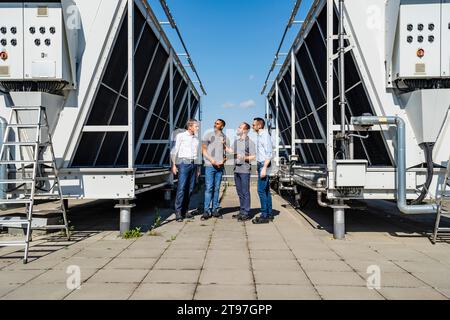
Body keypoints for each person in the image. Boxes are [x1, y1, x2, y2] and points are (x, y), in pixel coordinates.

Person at [171, 119, 201, 222]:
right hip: (183, 164)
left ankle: (185, 210)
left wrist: (198, 168)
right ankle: (178, 212)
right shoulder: (181, 136)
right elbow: (175, 150)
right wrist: (174, 165)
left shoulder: (196, 139)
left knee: (191, 189)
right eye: (196, 126)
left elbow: (197, 155)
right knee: (181, 188)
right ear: (190, 127)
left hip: (193, 165)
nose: (197, 128)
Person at [226, 122, 256, 221]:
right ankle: (242, 211)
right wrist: (223, 145)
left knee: (245, 192)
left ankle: (246, 213)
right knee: (239, 192)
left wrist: (243, 157)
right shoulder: (237, 141)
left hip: (245, 170)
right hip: (237, 169)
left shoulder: (250, 142)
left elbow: (253, 156)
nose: (238, 129)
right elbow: (232, 152)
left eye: (240, 127)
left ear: (245, 130)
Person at [202, 119, 230, 220]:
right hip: (210, 166)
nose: (215, 124)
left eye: (217, 123)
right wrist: (212, 160)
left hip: (219, 167)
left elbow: (226, 154)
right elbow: (203, 150)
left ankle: (214, 210)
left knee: (217, 188)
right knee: (209, 188)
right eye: (215, 123)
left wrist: (224, 161)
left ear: (222, 126)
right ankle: (206, 210)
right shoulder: (208, 135)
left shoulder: (225, 137)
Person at [252, 118, 274, 224]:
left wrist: (264, 168)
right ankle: (269, 214)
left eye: (254, 125)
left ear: (259, 125)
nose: (252, 126)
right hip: (261, 165)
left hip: (264, 165)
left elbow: (269, 153)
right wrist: (258, 168)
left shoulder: (265, 135)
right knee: (266, 191)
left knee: (260, 191)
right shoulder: (259, 136)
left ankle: (264, 215)